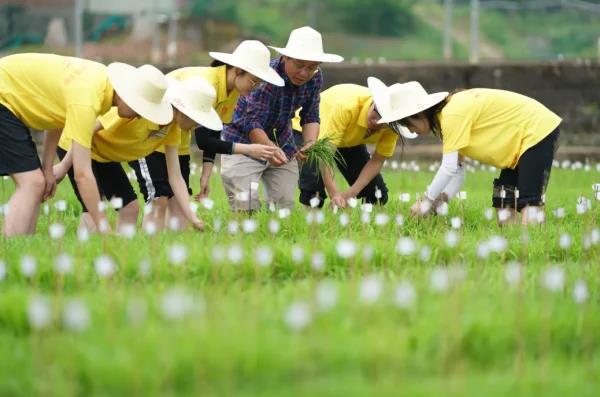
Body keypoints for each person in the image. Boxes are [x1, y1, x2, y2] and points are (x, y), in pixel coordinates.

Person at [131, 40, 283, 228]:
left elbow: (212, 128)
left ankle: (170, 248)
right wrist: (249, 149)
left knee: (180, 202)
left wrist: (206, 174)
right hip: (151, 132)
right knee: (159, 199)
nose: (255, 87)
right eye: (254, 81)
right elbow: (204, 140)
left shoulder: (234, 90)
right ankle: (149, 246)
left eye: (259, 83)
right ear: (237, 70)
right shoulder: (207, 85)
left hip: (178, 138)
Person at [0, 53, 152, 236]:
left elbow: (57, 117)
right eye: (140, 108)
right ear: (127, 95)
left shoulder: (100, 84)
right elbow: (82, 175)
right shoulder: (89, 99)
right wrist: (105, 229)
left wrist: (48, 168)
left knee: (37, 182)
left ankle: (23, 246)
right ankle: (11, 248)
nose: (139, 116)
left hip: (7, 94)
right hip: (4, 94)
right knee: (31, 182)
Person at [54, 76, 225, 232]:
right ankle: (83, 256)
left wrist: (192, 217)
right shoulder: (139, 108)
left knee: (129, 207)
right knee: (93, 208)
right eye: (196, 118)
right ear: (182, 110)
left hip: (105, 157)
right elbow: (87, 130)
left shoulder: (172, 129)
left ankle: (118, 253)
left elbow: (176, 177)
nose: (196, 125)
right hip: (78, 145)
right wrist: (63, 166)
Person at [392, 82, 561, 224]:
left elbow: (448, 168)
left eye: (409, 126)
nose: (412, 131)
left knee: (529, 201)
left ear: (418, 114)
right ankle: (515, 248)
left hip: (537, 130)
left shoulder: (452, 114)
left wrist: (426, 201)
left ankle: (531, 250)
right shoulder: (449, 116)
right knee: (503, 200)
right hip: (520, 142)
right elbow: (457, 171)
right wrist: (441, 201)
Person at [220, 26, 343, 211]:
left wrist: (310, 143)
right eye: (299, 65)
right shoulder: (264, 77)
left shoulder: (315, 78)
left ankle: (277, 237)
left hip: (282, 142)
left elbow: (310, 114)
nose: (304, 73)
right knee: (246, 206)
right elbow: (251, 123)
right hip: (243, 143)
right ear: (285, 57)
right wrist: (270, 149)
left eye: (311, 67)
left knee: (283, 207)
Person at [292, 79, 416, 208]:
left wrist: (350, 194)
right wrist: (334, 194)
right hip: (309, 127)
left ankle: (366, 225)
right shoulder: (347, 107)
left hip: (348, 139)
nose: (377, 122)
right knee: (313, 186)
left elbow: (377, 161)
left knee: (376, 194)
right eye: (377, 113)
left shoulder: (392, 127)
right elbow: (326, 154)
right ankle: (312, 223)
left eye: (385, 121)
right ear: (374, 101)